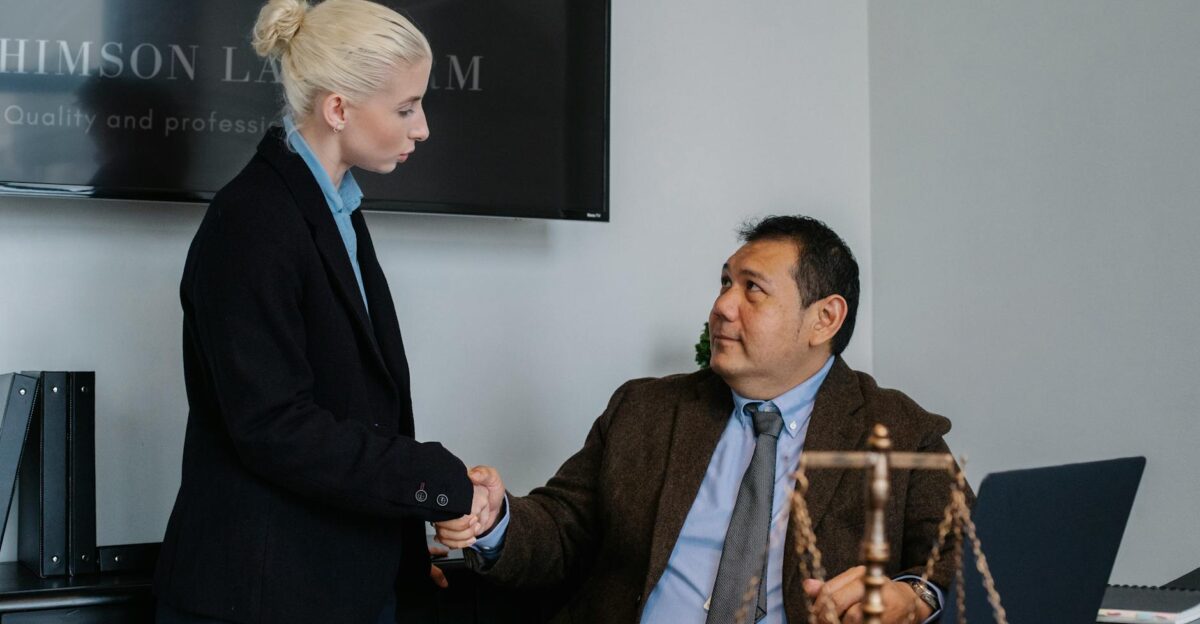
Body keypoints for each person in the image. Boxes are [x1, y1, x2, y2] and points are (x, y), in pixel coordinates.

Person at [436, 215, 971, 624]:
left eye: (752, 289)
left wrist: (915, 597)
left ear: (824, 318)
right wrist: (494, 517)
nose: (722, 306)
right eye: (724, 283)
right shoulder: (645, 410)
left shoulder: (899, 429)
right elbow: (563, 528)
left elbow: (962, 554)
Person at [154, 1, 488, 622]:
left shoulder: (336, 213)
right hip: (263, 599)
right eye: (406, 108)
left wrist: (411, 549)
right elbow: (276, 427)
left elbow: (355, 409)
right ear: (338, 108)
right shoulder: (251, 222)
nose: (423, 129)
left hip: (340, 584)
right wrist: (437, 481)